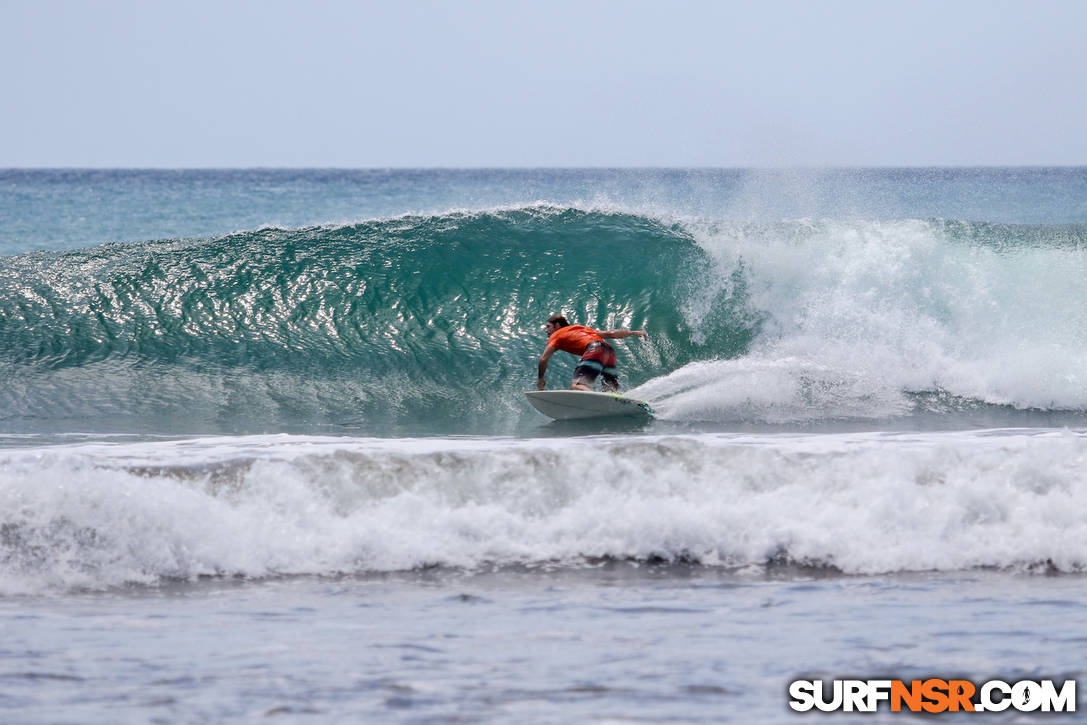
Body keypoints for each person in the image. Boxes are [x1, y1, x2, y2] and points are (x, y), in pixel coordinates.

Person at [537, 314, 648, 392]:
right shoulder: (580, 329)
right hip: (609, 351)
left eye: (548, 327)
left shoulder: (556, 335)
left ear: (557, 326)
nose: (546, 330)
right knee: (610, 388)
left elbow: (543, 359)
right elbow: (610, 334)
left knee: (576, 386)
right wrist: (634, 332)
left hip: (595, 349)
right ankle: (620, 402)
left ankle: (595, 396)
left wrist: (541, 378)